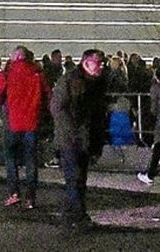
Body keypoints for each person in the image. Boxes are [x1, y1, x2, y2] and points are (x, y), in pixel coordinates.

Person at [50, 48, 108, 231]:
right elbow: (57, 108)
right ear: (86, 62)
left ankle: (69, 215)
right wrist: (74, 132)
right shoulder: (70, 80)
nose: (101, 67)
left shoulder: (96, 83)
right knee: (75, 178)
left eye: (102, 63)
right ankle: (79, 217)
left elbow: (98, 114)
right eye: (98, 63)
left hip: (85, 139)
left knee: (79, 180)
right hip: (71, 140)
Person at [0, 45, 50, 209]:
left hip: (13, 123)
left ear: (15, 58)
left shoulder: (7, 74)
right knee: (31, 160)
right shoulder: (37, 74)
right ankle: (30, 198)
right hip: (32, 123)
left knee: (11, 159)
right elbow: (48, 95)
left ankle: (14, 193)